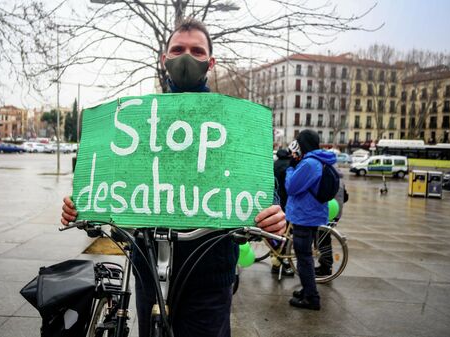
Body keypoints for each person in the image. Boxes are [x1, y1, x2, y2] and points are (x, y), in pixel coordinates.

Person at [61, 18, 286, 337]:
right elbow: (111, 176)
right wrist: (81, 204)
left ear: (211, 62)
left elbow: (256, 181)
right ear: (164, 59)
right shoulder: (139, 120)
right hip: (149, 263)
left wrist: (272, 210)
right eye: (178, 49)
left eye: (197, 51)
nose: (186, 57)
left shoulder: (233, 121)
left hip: (211, 268)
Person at [285, 129, 336, 311]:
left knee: (304, 258)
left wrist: (291, 168)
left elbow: (291, 187)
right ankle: (308, 289)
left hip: (304, 216)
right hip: (312, 214)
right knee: (306, 256)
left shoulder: (309, 164)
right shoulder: (319, 160)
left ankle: (311, 298)